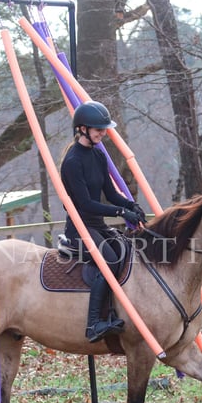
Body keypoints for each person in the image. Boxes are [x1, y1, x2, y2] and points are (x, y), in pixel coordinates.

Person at [60, 100, 147, 343]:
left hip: (97, 224)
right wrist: (121, 214)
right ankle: (94, 323)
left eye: (104, 128)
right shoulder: (72, 162)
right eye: (98, 129)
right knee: (109, 261)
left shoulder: (98, 154)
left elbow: (110, 193)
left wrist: (130, 205)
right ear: (82, 129)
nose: (103, 133)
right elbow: (86, 204)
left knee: (126, 252)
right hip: (79, 227)